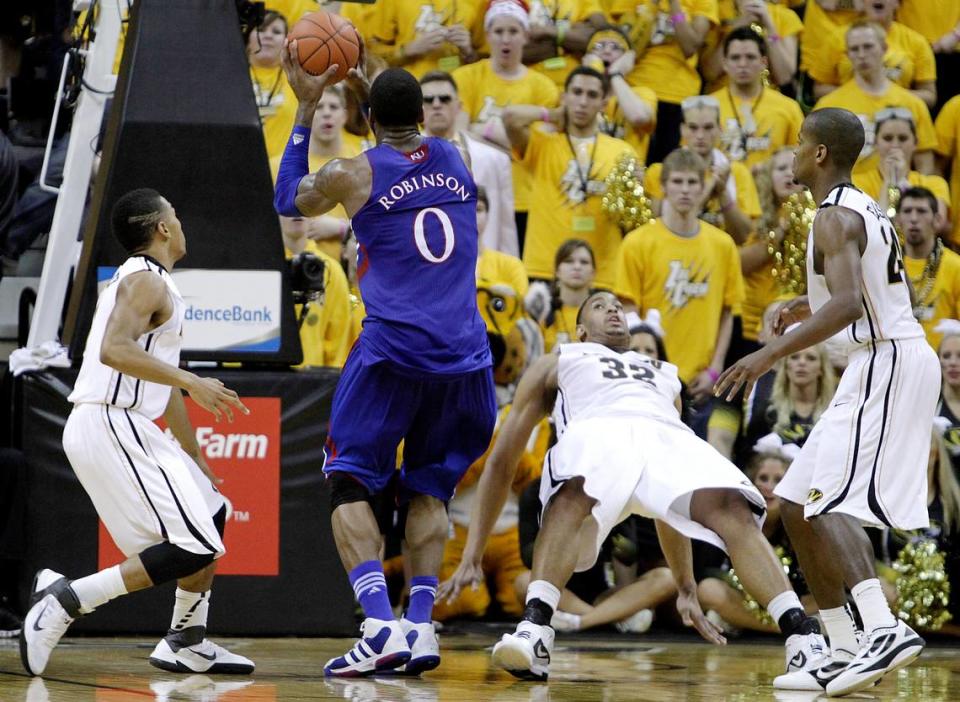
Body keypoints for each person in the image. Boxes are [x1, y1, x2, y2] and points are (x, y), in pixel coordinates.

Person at [440, 290, 824, 682]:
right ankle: (536, 629)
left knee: (730, 507)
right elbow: (503, 460)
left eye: (617, 306)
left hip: (662, 435)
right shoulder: (560, 361)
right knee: (574, 487)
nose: (613, 311)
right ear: (581, 332)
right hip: (598, 436)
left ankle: (802, 637)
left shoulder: (663, 372)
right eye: (600, 306)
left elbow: (668, 494)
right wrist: (473, 552)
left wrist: (685, 585)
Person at [273, 45, 497, 676]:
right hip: (466, 359)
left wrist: (309, 103)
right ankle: (419, 628)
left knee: (347, 479)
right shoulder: (457, 155)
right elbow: (399, 120)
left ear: (367, 116)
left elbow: (288, 199)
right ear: (423, 114)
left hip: (395, 352)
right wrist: (368, 75)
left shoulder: (355, 173)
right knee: (429, 486)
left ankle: (377, 625)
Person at [715, 107, 941, 696]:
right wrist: (802, 302)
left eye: (797, 144)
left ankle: (883, 628)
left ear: (818, 155)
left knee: (828, 499)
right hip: (878, 355)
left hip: (888, 359)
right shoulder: (861, 207)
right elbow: (865, 291)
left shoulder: (834, 216)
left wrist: (766, 356)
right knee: (793, 503)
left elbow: (847, 305)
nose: (790, 154)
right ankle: (841, 644)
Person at [19, 189, 254, 677]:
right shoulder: (146, 280)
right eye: (177, 214)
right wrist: (193, 380)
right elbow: (114, 350)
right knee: (193, 545)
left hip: (130, 422)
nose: (182, 222)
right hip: (108, 418)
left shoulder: (154, 283)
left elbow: (157, 376)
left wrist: (193, 455)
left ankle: (185, 641)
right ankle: (64, 600)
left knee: (212, 510)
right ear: (163, 228)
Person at [617, 148, 745, 408]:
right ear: (663, 186)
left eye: (692, 182)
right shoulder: (637, 243)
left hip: (702, 381)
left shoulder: (723, 245)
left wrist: (714, 369)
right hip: (651, 378)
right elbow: (629, 313)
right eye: (677, 181)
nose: (685, 190)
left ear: (702, 188)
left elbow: (727, 311)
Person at [503, 66, 636, 288]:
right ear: (564, 97)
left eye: (592, 95)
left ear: (604, 103)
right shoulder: (543, 145)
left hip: (601, 271)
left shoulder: (623, 152)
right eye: (576, 92)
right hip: (545, 265)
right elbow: (509, 118)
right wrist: (552, 114)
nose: (583, 102)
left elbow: (631, 221)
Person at [452, 1, 559, 248]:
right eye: (498, 32)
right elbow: (459, 136)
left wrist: (485, 130)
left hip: (527, 197)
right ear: (488, 36)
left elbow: (537, 147)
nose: (505, 39)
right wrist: (514, 147)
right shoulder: (467, 77)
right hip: (478, 193)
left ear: (526, 36)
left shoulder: (543, 87)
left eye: (513, 31)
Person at [813, 21, 937, 178]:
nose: (862, 54)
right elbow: (816, 161)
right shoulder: (829, 105)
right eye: (854, 49)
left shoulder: (912, 104)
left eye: (868, 46)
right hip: (847, 196)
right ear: (848, 54)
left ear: (884, 49)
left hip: (895, 193)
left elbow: (925, 165)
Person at [420, 71, 519, 256]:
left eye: (444, 99)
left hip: (481, 264)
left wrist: (509, 269)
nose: (436, 105)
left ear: (458, 107)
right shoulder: (402, 160)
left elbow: (507, 227)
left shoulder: (494, 160)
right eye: (428, 99)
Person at [645, 96, 761, 245]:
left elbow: (745, 237)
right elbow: (659, 227)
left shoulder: (737, 173)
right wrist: (710, 186)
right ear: (682, 129)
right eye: (693, 127)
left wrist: (723, 193)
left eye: (708, 127)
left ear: (720, 129)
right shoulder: (660, 172)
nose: (700, 136)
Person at [810, 0, 937, 109]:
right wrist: (859, 96)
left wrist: (889, 95)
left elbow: (930, 95)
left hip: (898, 116)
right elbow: (819, 89)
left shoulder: (917, 42)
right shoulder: (838, 38)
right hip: (849, 114)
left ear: (897, 3)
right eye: (855, 49)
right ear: (862, 2)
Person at [709, 27, 804, 169]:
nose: (742, 64)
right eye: (735, 58)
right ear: (725, 64)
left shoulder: (788, 107)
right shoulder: (708, 106)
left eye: (750, 57)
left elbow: (801, 159)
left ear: (764, 62)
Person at [852, 112, 950, 226]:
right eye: (887, 138)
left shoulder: (934, 184)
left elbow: (937, 225)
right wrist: (889, 181)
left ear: (915, 143)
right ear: (875, 142)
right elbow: (872, 226)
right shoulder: (856, 183)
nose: (895, 145)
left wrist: (901, 180)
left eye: (903, 138)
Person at [581, 27, 657, 164]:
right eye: (598, 46)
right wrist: (591, 72)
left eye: (616, 47)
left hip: (625, 179)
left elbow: (638, 116)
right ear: (586, 58)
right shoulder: (573, 94)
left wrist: (616, 74)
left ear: (627, 59)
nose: (607, 51)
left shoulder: (642, 94)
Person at [897, 187, 960, 349]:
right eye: (907, 211)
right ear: (897, 220)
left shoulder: (955, 266)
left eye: (921, 211)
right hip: (897, 361)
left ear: (937, 220)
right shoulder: (889, 264)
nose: (913, 218)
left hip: (943, 366)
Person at [700, 0, 803, 93]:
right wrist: (736, 28)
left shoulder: (784, 16)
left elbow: (784, 77)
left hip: (768, 103)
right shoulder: (719, 12)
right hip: (724, 100)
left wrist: (769, 26)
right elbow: (710, 73)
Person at [246, 11, 296, 160]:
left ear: (286, 42)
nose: (268, 36)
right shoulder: (231, 76)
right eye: (261, 29)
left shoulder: (297, 79)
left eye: (276, 32)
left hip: (281, 173)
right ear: (248, 38)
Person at [539, 239, 596, 352]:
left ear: (593, 272)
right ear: (557, 271)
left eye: (584, 262)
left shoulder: (603, 314)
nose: (577, 267)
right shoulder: (543, 314)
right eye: (569, 261)